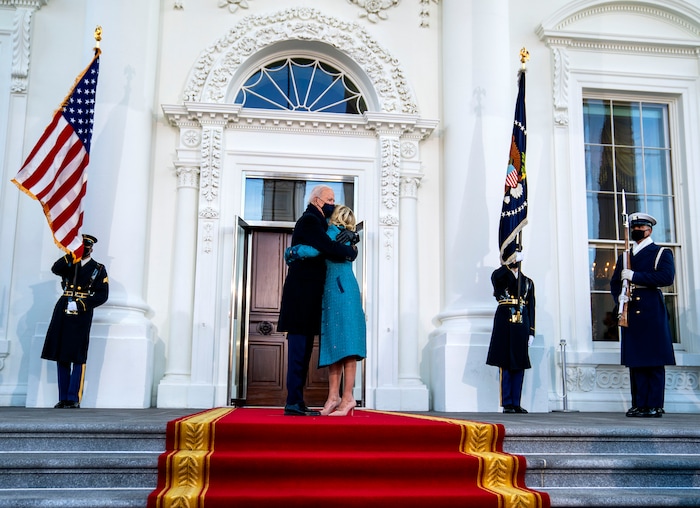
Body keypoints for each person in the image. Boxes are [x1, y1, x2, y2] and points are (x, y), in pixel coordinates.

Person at [277, 186, 358, 416]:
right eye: (329, 199)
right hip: (301, 297)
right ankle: (293, 402)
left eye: (334, 199)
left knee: (303, 354)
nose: (333, 203)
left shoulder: (320, 222)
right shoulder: (310, 220)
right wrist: (351, 250)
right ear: (316, 200)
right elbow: (326, 247)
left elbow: (327, 241)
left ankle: (296, 401)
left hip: (309, 298)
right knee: (298, 353)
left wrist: (353, 237)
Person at [610, 212, 675, 418]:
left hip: (651, 310)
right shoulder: (625, 256)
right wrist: (620, 298)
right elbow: (614, 283)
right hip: (631, 310)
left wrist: (635, 276)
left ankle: (654, 404)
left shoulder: (661, 253)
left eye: (640, 228)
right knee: (636, 360)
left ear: (649, 230)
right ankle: (639, 403)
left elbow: (666, 277)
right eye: (634, 228)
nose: (637, 230)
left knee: (653, 359)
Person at [42, 234, 109, 409]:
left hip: (81, 312)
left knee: (77, 354)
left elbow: (102, 295)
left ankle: (73, 397)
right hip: (63, 309)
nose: (84, 250)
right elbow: (55, 269)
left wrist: (82, 304)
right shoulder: (70, 263)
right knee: (61, 353)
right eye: (80, 247)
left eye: (86, 247)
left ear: (91, 249)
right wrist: (70, 255)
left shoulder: (98, 269)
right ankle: (63, 397)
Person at [486, 255, 535, 413]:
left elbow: (531, 307)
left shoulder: (527, 282)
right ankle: (507, 402)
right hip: (505, 321)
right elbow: (497, 279)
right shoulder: (500, 275)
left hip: (521, 322)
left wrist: (531, 331)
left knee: (519, 363)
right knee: (505, 362)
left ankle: (516, 402)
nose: (515, 260)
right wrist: (506, 263)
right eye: (512, 256)